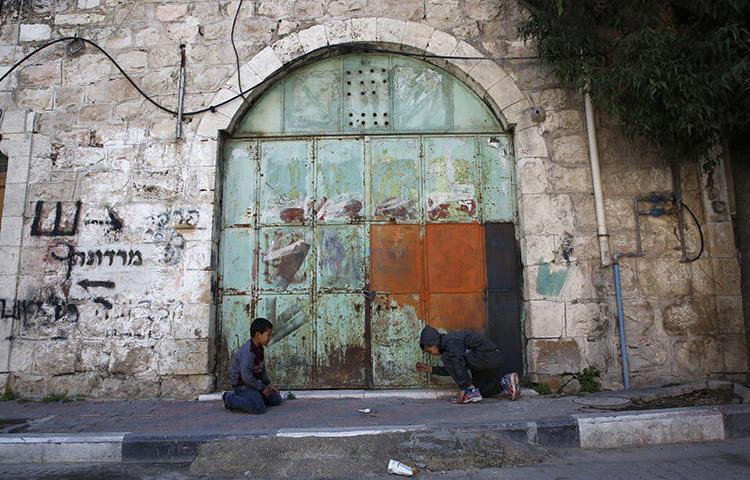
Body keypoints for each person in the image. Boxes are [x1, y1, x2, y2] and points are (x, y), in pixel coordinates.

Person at [415, 325, 520, 404]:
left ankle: (469, 390)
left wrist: (465, 387)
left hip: (488, 356)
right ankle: (506, 382)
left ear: (433, 343)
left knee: (450, 358)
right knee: (480, 392)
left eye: (429, 351)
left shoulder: (450, 342)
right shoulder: (447, 347)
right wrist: (431, 369)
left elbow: (457, 363)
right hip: (486, 360)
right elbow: (454, 368)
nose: (431, 354)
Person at [222, 317, 282, 414]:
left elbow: (262, 368)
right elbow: (246, 377)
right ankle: (229, 398)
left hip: (253, 385)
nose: (270, 338)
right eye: (268, 335)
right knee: (258, 408)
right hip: (242, 386)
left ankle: (255, 397)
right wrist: (262, 389)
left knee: (276, 399)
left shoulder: (259, 348)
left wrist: (268, 385)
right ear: (258, 334)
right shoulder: (248, 352)